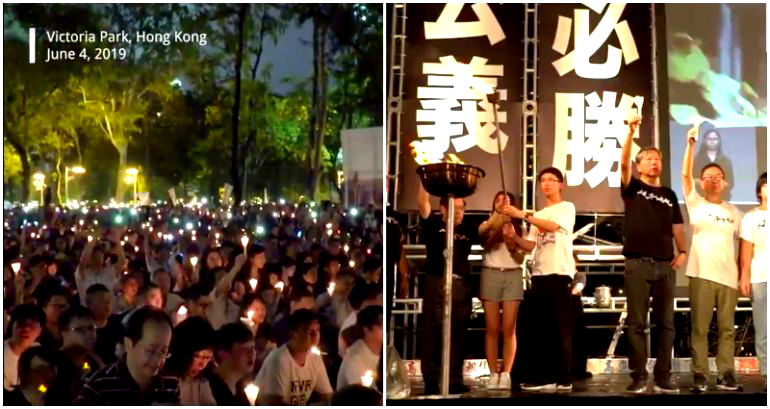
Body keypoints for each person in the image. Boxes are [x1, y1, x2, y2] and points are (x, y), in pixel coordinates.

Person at [619, 115, 687, 394]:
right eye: (648, 158)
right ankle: (638, 376)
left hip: (664, 266)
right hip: (637, 263)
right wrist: (630, 131)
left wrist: (682, 251)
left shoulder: (669, 194)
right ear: (639, 165)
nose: (654, 162)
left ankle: (663, 376)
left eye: (657, 159)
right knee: (636, 323)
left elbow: (677, 226)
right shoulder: (633, 187)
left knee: (666, 324)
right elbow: (623, 164)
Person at [501, 168, 577, 392]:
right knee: (541, 329)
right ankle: (546, 376)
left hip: (559, 273)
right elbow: (531, 246)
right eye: (542, 180)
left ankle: (565, 378)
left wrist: (521, 214)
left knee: (561, 328)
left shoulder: (566, 208)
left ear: (561, 185)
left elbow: (554, 227)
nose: (546, 184)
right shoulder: (540, 213)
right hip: (540, 275)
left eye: (551, 180)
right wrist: (513, 237)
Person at [682, 124, 744, 392]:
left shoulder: (736, 212)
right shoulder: (696, 205)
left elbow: (745, 245)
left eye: (718, 175)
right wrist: (691, 144)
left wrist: (743, 274)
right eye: (708, 175)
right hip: (701, 274)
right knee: (700, 328)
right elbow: (685, 174)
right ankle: (700, 374)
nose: (714, 179)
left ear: (726, 182)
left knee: (728, 329)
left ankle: (726, 373)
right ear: (701, 182)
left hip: (728, 278)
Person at [416, 178, 477, 394]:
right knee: (433, 331)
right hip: (437, 282)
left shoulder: (467, 229)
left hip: (461, 285)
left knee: (458, 332)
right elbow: (422, 202)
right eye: (454, 207)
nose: (458, 212)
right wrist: (424, 178)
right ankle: (432, 379)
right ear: (443, 208)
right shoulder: (433, 224)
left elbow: (489, 229)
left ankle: (454, 379)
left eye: (461, 208)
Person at [74, 306, 179, 405]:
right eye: (151, 351)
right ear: (128, 344)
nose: (157, 360)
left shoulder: (170, 383)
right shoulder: (99, 385)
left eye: (163, 351)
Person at [477, 191, 525, 390]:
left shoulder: (519, 227)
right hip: (490, 273)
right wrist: (498, 219)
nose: (501, 203)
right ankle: (492, 373)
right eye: (498, 200)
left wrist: (512, 240)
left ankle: (506, 373)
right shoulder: (486, 223)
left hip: (513, 274)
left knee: (509, 327)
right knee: (491, 327)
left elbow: (521, 258)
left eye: (506, 201)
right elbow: (484, 239)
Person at [255, 309, 333, 405]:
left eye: (317, 330)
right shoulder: (278, 360)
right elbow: (275, 403)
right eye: (309, 331)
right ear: (293, 334)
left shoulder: (315, 358)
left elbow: (328, 395)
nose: (315, 335)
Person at [739, 172, 767, 389]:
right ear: (760, 190)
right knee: (764, 330)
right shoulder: (750, 218)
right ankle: (768, 373)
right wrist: (744, 276)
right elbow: (746, 252)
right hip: (760, 277)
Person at [47, 306, 104, 405]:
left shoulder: (95, 361)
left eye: (91, 328)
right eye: (80, 330)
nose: (88, 334)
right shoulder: (51, 363)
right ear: (63, 332)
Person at [164, 316, 217, 405]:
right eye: (197, 356)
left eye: (207, 358)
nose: (202, 364)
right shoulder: (166, 381)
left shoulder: (202, 382)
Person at [207, 322, 255, 405]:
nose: (252, 353)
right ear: (223, 354)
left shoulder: (244, 389)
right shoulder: (210, 390)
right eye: (244, 349)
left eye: (253, 348)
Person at [337, 305, 382, 390]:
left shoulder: (385, 350)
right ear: (367, 329)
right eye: (382, 326)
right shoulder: (355, 358)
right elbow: (360, 396)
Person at [4, 304, 45, 391]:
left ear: (40, 331)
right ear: (12, 326)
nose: (26, 328)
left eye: (32, 325)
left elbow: (43, 388)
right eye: (21, 323)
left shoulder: (42, 354)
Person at [693, 128, 734, 200]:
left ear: (719, 141)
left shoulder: (726, 161)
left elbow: (730, 183)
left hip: (722, 199)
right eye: (709, 139)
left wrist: (720, 183)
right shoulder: (697, 160)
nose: (712, 141)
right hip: (700, 199)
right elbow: (691, 179)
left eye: (715, 139)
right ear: (704, 141)